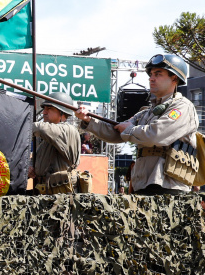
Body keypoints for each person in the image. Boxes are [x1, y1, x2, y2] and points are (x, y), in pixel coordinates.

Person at [75, 53, 198, 195]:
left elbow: (155, 135)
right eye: (151, 74)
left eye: (158, 74)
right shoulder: (147, 112)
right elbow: (117, 132)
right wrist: (88, 120)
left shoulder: (181, 107)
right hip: (143, 183)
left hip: (169, 186)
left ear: (174, 78)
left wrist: (130, 129)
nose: (152, 78)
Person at [31, 93, 81, 194]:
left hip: (61, 195)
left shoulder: (67, 130)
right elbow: (41, 158)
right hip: (44, 192)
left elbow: (40, 128)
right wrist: (31, 166)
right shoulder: (48, 136)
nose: (44, 112)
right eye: (44, 108)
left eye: (49, 108)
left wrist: (21, 124)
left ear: (62, 112)